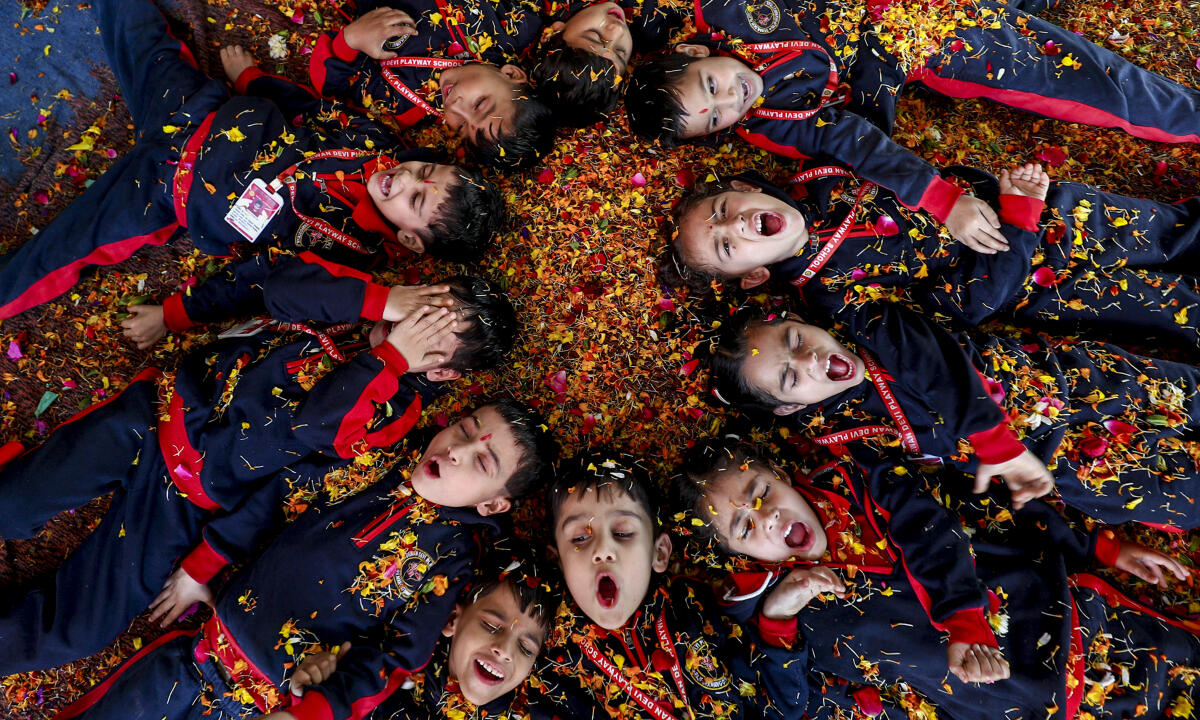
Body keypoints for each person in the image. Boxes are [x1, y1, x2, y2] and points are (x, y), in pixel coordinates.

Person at [0, 276, 517, 675]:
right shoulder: (356, 297)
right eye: (419, 307)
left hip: (185, 497)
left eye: (429, 331)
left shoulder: (395, 418)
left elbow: (313, 432)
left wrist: (391, 358)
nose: (410, 323)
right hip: (160, 413)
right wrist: (380, 299)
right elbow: (275, 286)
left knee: (80, 628)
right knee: (14, 501)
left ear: (444, 372)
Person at [43, 401, 557, 720]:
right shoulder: (372, 460)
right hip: (195, 656)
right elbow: (276, 498)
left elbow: (398, 658)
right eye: (464, 430)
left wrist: (314, 710)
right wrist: (202, 567)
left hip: (267, 708)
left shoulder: (453, 560)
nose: (456, 451)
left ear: (492, 505)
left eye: (481, 462)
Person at [0, 0, 503, 321]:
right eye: (426, 171)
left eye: (416, 196)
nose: (407, 176)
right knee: (135, 27)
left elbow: (273, 287)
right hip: (194, 105)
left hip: (160, 193)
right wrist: (253, 82)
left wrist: (173, 315)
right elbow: (310, 108)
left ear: (410, 240)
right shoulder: (378, 142)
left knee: (53, 255)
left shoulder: (350, 255)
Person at [674, 438, 1199, 720]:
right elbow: (789, 706)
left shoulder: (867, 479)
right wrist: (778, 619)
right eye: (745, 527)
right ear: (734, 553)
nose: (765, 517)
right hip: (1028, 706)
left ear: (782, 474)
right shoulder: (770, 614)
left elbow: (984, 514)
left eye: (763, 491)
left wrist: (1098, 546)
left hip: (1081, 621)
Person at [624, 0, 1200, 250]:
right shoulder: (773, 120)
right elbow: (854, 141)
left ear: (697, 47)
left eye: (710, 84)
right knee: (1101, 87)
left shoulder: (728, 10)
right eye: (719, 117)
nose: (732, 97)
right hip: (932, 33)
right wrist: (942, 199)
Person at [708, 299, 1200, 528]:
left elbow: (934, 365)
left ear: (799, 319)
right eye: (792, 379)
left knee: (1183, 396)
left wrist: (995, 442)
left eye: (795, 340)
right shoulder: (844, 440)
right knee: (1182, 494)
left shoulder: (867, 320)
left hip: (1073, 382)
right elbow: (912, 504)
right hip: (1062, 468)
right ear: (792, 407)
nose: (810, 361)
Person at [668, 163, 1200, 351]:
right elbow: (963, 308)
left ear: (742, 186)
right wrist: (1017, 221)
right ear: (755, 275)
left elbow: (914, 166)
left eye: (723, 209)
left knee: (1173, 232)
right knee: (1174, 305)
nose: (735, 223)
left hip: (1061, 212)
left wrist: (979, 191)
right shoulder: (833, 297)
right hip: (1037, 284)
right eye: (726, 245)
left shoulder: (827, 172)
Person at [538, 453, 796, 720]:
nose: (603, 550)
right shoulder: (556, 667)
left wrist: (778, 621)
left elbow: (781, 707)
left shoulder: (696, 607)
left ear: (659, 553)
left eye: (623, 533)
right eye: (580, 537)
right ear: (558, 563)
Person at [286, 552, 561, 720]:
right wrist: (306, 694)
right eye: (491, 626)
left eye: (526, 648)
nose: (505, 650)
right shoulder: (384, 671)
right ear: (453, 619)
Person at [307, 1, 554, 169]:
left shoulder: (404, 102)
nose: (456, 107)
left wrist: (352, 39)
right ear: (511, 74)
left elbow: (334, 87)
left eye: (461, 127)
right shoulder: (514, 26)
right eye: (479, 104)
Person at [529, 0, 689, 126]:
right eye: (620, 52)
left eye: (595, 36)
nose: (618, 30)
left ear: (552, 33)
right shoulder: (654, 26)